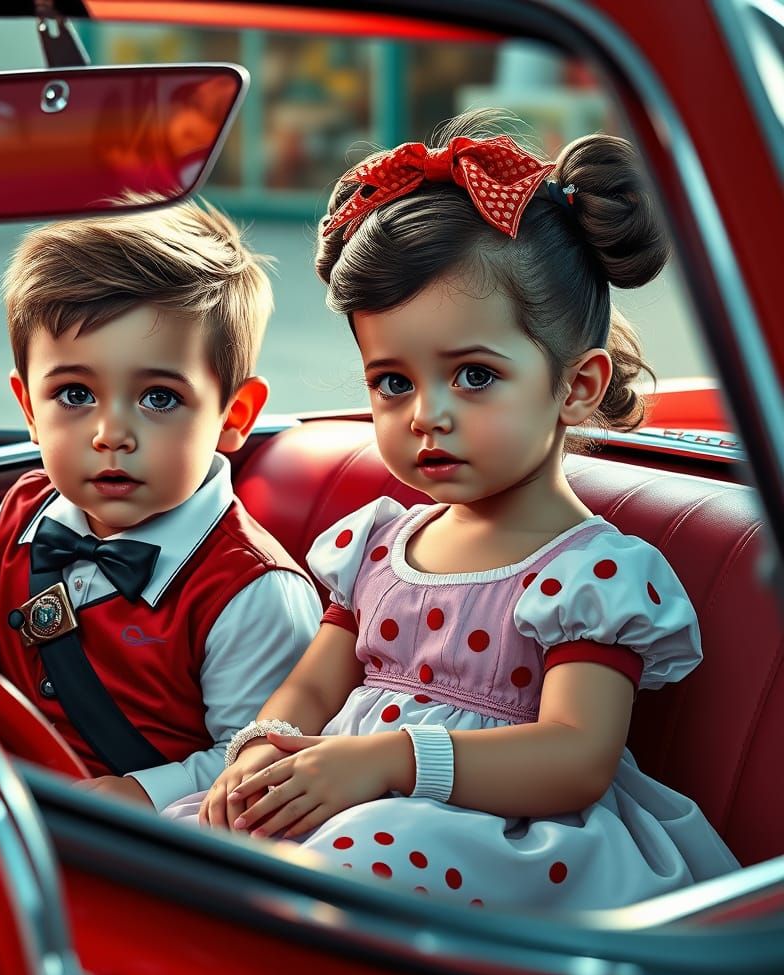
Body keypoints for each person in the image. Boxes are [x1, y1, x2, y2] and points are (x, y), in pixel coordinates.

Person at [166, 112, 739, 909]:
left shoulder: (592, 573)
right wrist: (263, 748)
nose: (424, 415)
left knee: (360, 856)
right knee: (178, 842)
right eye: (392, 382)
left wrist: (393, 760)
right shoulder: (374, 544)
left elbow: (576, 757)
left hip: (502, 833)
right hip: (351, 793)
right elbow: (308, 691)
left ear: (574, 386)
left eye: (472, 376)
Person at [0, 200, 322, 812]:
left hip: (161, 838)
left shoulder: (253, 593)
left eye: (159, 398)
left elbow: (258, 759)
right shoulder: (23, 517)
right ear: (28, 410)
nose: (110, 433)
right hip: (19, 807)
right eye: (74, 394)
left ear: (233, 415)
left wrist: (140, 793)